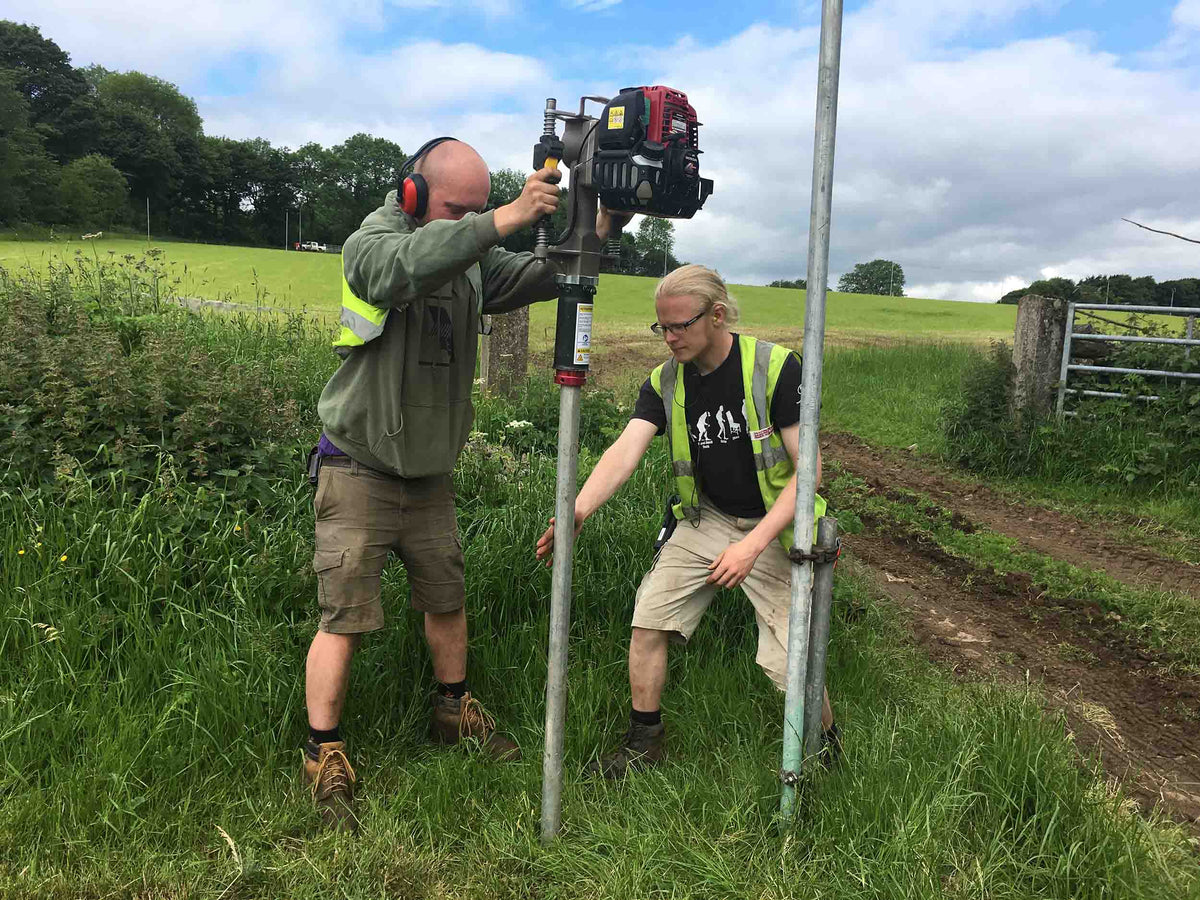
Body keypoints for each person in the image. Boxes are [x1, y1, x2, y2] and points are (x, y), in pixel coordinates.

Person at [303, 136, 627, 830]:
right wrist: (505, 217)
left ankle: (454, 712)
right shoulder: (374, 242)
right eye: (459, 210)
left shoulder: (472, 257)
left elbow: (539, 275)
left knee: (446, 599)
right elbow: (397, 271)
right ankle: (323, 753)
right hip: (358, 465)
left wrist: (599, 227)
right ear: (413, 194)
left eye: (479, 209)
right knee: (345, 616)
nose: (473, 222)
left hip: (428, 473)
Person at [535, 264, 839, 778]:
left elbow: (808, 474)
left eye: (680, 325)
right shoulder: (665, 380)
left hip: (777, 527)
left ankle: (826, 749)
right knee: (649, 618)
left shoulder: (775, 367)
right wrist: (578, 509)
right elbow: (624, 450)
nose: (670, 338)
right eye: (663, 327)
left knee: (790, 661)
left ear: (717, 315)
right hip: (708, 520)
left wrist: (751, 547)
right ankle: (644, 744)